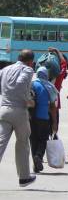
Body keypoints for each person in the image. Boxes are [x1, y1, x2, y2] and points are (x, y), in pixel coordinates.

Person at [0, 49, 36, 187]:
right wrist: (27, 99)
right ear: (30, 61)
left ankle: (24, 177)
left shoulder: (5, 69)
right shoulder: (27, 70)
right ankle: (24, 177)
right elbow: (20, 84)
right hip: (19, 111)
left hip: (4, 109)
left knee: (1, 143)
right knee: (22, 143)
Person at [29, 67, 59, 173]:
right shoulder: (49, 87)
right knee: (43, 139)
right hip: (43, 117)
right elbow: (53, 107)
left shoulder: (31, 84)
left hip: (30, 117)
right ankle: (38, 156)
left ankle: (35, 165)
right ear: (46, 75)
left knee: (33, 140)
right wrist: (54, 122)